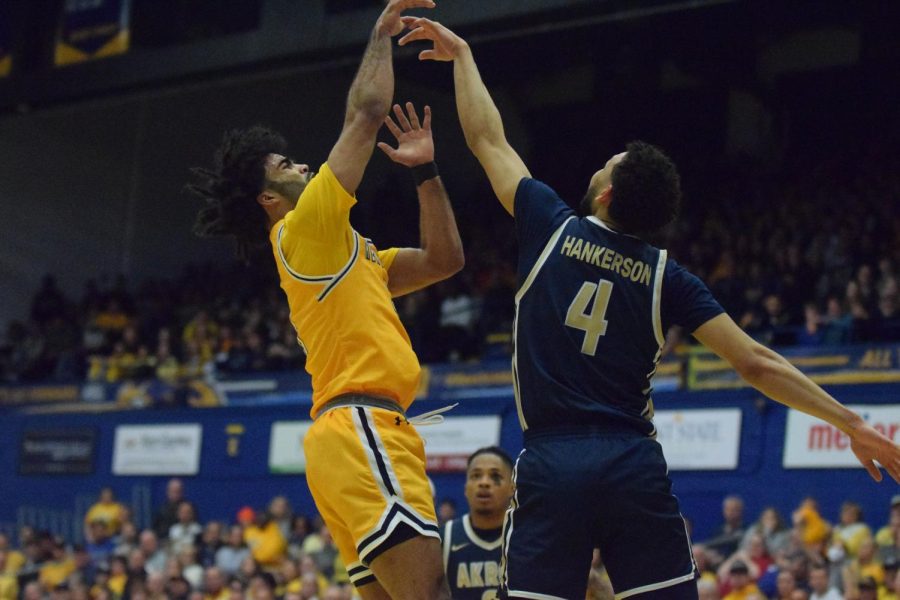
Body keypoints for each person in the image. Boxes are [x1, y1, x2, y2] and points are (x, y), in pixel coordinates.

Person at [398, 16, 900, 599]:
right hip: (632, 462)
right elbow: (758, 364)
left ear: (605, 194)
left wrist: (463, 58)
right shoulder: (670, 278)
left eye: (605, 164)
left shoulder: (550, 227)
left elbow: (488, 139)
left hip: (553, 460)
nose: (598, 165)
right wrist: (852, 423)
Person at [188, 1, 462, 598]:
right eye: (286, 164)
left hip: (351, 434)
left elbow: (444, 260)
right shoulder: (303, 227)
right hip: (362, 424)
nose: (304, 164)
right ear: (268, 197)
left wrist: (426, 171)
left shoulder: (342, 249)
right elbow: (366, 113)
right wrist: (381, 34)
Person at [441, 447, 515, 599]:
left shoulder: (525, 537)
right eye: (476, 476)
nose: (484, 483)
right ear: (465, 488)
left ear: (512, 488)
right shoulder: (444, 537)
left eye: (495, 476)